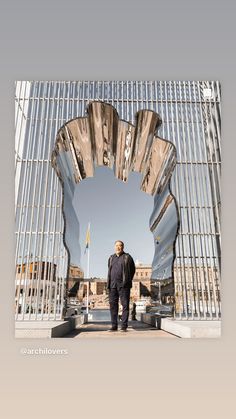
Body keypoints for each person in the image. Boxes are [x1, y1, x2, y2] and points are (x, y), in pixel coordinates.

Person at [107, 240, 136, 332]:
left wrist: (127, 280)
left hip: (124, 285)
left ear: (123, 247)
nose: (118, 247)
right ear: (114, 247)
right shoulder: (111, 258)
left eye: (120, 245)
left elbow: (132, 270)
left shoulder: (127, 257)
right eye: (116, 245)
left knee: (125, 305)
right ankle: (114, 326)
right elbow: (109, 270)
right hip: (112, 285)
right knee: (113, 306)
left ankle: (124, 326)